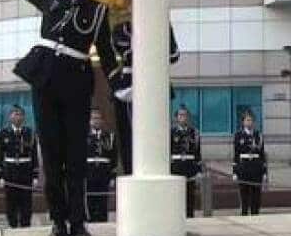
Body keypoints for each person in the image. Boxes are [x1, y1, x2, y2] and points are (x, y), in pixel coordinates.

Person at [0, 0, 107, 236]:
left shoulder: (97, 10)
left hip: (75, 82)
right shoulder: (52, 1)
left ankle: (78, 222)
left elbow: (106, 54)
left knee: (76, 157)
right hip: (45, 79)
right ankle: (58, 221)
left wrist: (121, 83)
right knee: (51, 155)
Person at [97, 19, 180, 174]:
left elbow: (174, 55)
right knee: (128, 139)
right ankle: (131, 175)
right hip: (127, 87)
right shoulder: (120, 29)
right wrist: (115, 81)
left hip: (154, 84)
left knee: (156, 136)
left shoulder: (159, 23)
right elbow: (108, 54)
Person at [0, 105, 38, 228]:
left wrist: (35, 175)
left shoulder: (29, 133)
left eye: (20, 114)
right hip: (10, 171)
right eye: (15, 114)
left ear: (24, 117)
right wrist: (0, 175)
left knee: (26, 202)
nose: (17, 117)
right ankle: (12, 225)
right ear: (10, 117)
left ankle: (25, 225)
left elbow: (34, 155)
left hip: (26, 171)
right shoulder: (3, 133)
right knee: (11, 202)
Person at [84, 109, 117, 223]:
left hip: (104, 172)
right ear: (89, 121)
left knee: (103, 199)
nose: (96, 121)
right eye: (94, 118)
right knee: (90, 198)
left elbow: (114, 158)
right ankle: (91, 221)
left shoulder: (109, 136)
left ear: (102, 120)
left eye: (98, 118)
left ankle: (102, 221)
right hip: (89, 172)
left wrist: (113, 176)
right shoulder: (84, 136)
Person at [170, 106, 203, 218]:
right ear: (176, 118)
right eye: (180, 115)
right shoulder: (171, 132)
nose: (183, 117)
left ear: (188, 117)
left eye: (185, 115)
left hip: (190, 167)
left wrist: (198, 171)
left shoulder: (194, 132)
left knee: (190, 197)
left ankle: (190, 220)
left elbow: (198, 153)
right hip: (177, 167)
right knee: (177, 198)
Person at [232, 111, 266, 216]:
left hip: (256, 167)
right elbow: (236, 154)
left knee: (256, 196)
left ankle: (255, 215)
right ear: (243, 122)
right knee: (244, 195)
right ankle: (244, 214)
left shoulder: (258, 135)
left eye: (251, 120)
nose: (249, 122)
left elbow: (262, 155)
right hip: (244, 167)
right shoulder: (238, 135)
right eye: (247, 120)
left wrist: (264, 172)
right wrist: (235, 172)